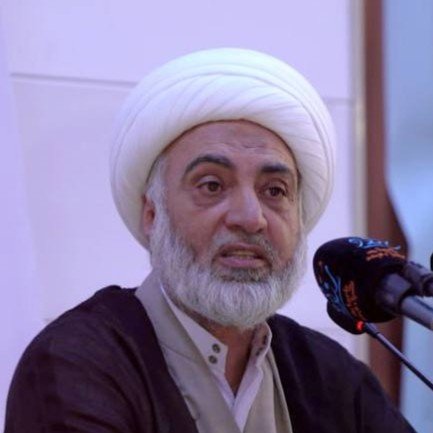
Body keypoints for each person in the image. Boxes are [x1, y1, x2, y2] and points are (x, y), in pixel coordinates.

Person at [5, 48, 415, 433]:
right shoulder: (78, 362)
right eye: (212, 185)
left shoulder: (332, 377)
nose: (250, 218)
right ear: (152, 214)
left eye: (274, 191)